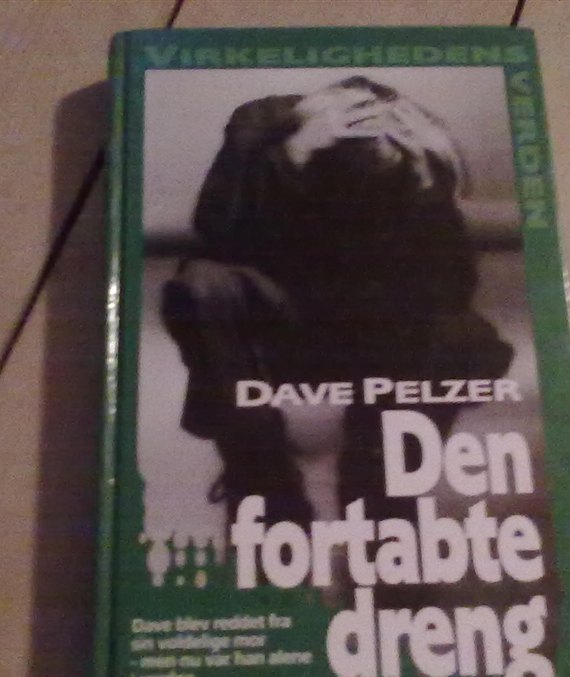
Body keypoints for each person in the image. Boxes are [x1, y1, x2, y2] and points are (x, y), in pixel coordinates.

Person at [162, 76, 514, 541]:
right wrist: (294, 155)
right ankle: (261, 477)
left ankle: (384, 485)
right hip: (281, 330)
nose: (361, 127)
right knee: (203, 285)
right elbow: (216, 232)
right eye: (351, 117)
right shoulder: (262, 126)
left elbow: (452, 291)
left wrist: (430, 188)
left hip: (376, 340)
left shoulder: (414, 144)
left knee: (460, 334)